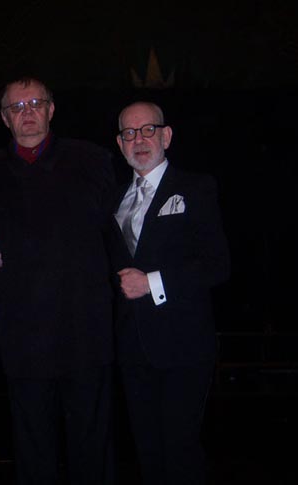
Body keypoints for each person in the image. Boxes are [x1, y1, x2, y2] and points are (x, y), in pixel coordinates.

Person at [0, 77, 116, 485]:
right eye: (17, 107)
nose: (28, 113)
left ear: (52, 109)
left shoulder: (94, 162)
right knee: (33, 453)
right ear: (4, 118)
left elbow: (121, 238)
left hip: (86, 333)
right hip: (23, 339)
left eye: (36, 103)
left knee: (93, 449)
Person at [108, 101, 230, 485]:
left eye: (148, 130)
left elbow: (217, 265)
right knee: (148, 453)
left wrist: (152, 283)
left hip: (184, 346)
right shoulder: (113, 199)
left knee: (180, 451)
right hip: (132, 348)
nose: (139, 139)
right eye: (130, 133)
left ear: (167, 135)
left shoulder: (196, 187)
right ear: (119, 143)